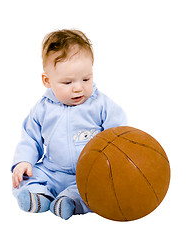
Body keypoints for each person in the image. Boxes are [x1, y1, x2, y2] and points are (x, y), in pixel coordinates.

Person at [11, 29, 127, 220]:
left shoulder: (100, 104)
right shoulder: (42, 109)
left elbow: (119, 134)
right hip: (53, 170)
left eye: (86, 79)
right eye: (67, 82)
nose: (78, 87)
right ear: (47, 81)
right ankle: (39, 195)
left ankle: (70, 201)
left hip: (89, 174)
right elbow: (30, 138)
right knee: (25, 178)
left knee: (99, 189)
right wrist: (24, 161)